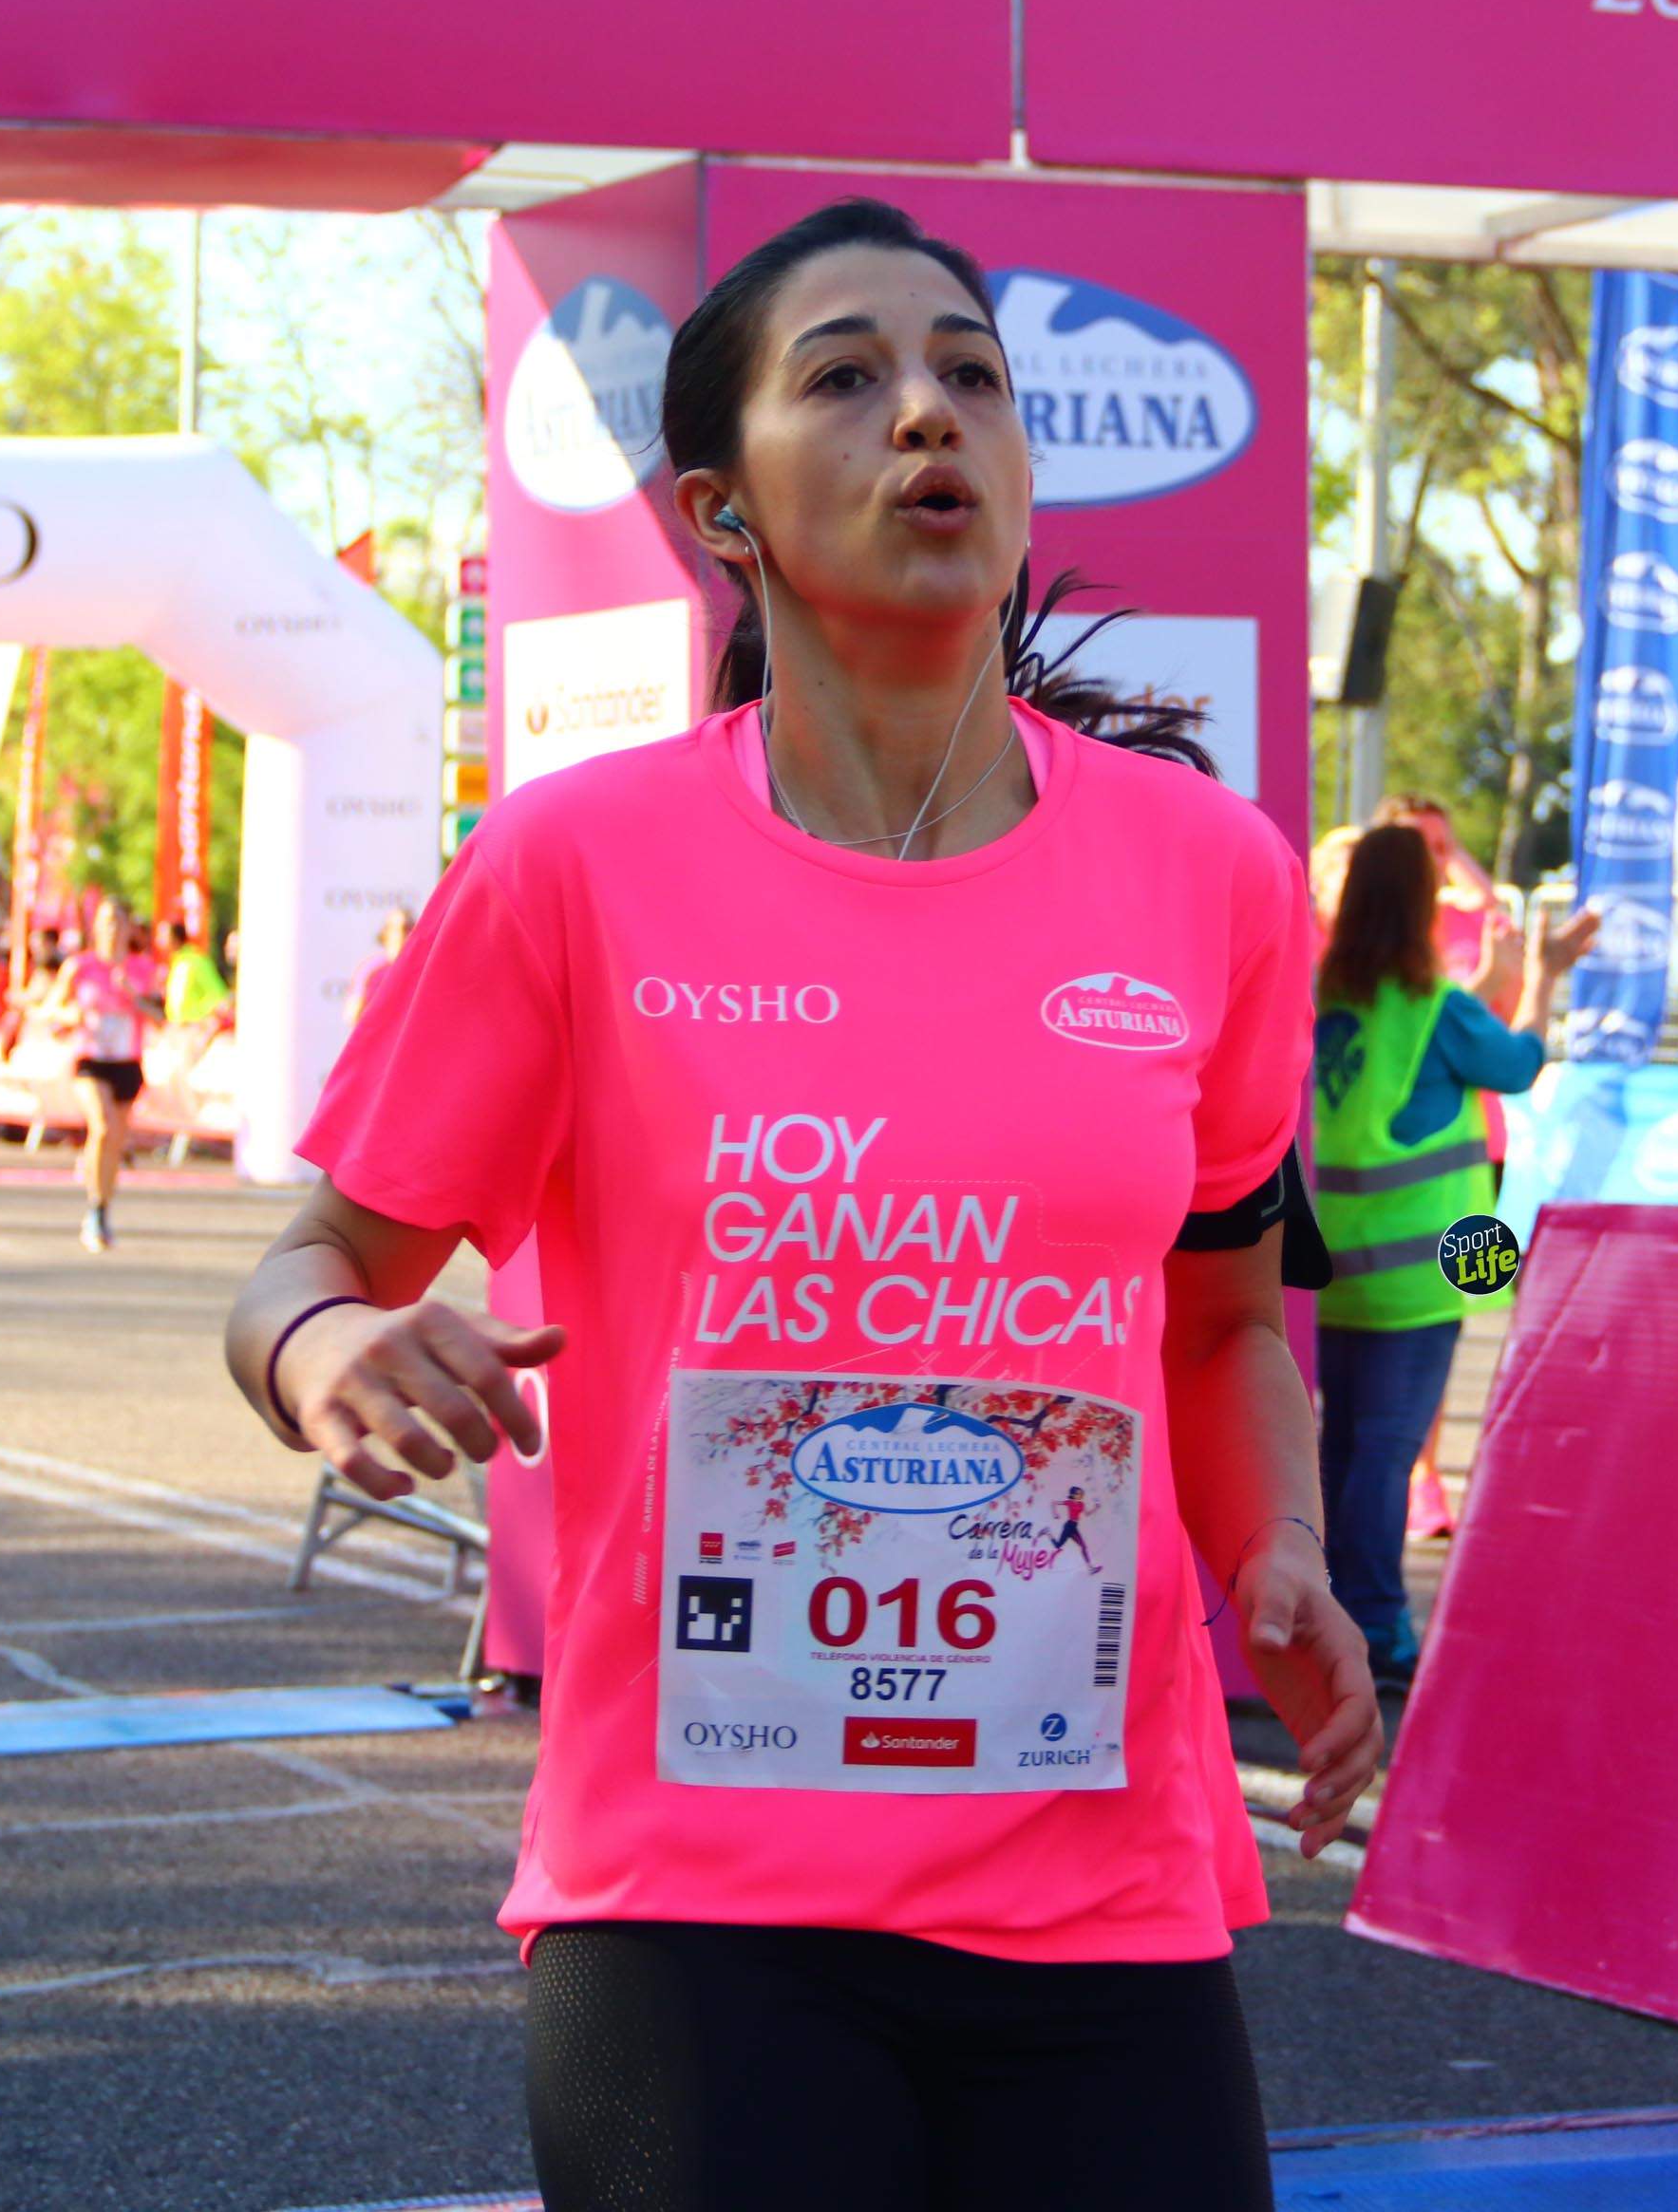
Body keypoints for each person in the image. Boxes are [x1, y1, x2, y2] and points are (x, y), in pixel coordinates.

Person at [218, 197, 1369, 2212]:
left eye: (969, 373)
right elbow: (304, 1265)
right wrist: (328, 1348)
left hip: (1101, 1883)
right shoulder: (576, 867)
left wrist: (1281, 1547)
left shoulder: (1214, 876)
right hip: (700, 1906)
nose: (927, 410)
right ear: (719, 508)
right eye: (845, 376)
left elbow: (1220, 1320)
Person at [1308, 822, 1592, 1683]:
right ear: (1421, 907)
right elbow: (1517, 1062)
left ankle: (1328, 1610)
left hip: (1331, 1266)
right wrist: (1542, 977)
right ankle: (1378, 1631)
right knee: (1386, 1454)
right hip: (1418, 1272)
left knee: (1339, 1448)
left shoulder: (1326, 994)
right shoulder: (1439, 1010)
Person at [45, 902, 160, 1252]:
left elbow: (160, 1015)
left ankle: (103, 1206)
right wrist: (71, 1013)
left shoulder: (143, 968)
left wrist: (134, 996)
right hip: (91, 1059)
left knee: (115, 1140)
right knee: (103, 1126)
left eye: (118, 923)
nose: (112, 929)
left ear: (128, 928)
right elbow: (51, 1011)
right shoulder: (80, 967)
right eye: (106, 922)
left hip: (126, 1061)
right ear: (96, 927)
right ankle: (94, 1209)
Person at [160, 917, 232, 1031]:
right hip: (178, 1029)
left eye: (163, 935)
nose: (159, 940)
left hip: (194, 1029)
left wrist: (195, 1016)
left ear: (175, 938)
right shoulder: (176, 962)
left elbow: (218, 996)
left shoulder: (195, 961)